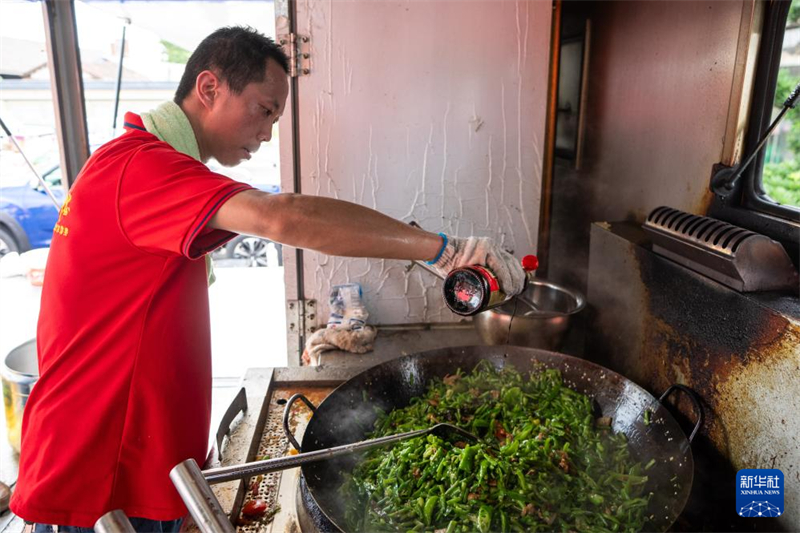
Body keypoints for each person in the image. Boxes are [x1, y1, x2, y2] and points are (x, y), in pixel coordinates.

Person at [11, 26, 526, 532]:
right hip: (97, 480)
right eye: (264, 110)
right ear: (210, 88)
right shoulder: (139, 168)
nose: (268, 132)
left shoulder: (146, 166)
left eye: (277, 118)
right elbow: (286, 217)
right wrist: (444, 251)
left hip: (142, 464)